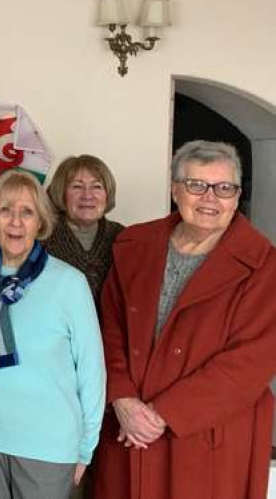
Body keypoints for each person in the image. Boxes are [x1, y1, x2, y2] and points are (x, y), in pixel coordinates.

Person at [93, 140, 276, 499]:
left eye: (224, 188)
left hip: (208, 434)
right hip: (127, 424)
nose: (210, 198)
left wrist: (162, 415)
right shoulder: (135, 245)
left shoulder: (264, 265)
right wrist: (123, 398)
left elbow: (249, 363)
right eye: (196, 185)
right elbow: (109, 328)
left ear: (237, 197)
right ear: (176, 190)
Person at [0, 169, 105, 499]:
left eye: (27, 212)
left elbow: (92, 369)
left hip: (47, 442)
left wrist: (86, 448)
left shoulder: (69, 283)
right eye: (5, 210)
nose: (15, 222)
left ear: (40, 222)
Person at [45, 154, 125, 303]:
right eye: (77, 186)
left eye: (97, 186)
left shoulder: (124, 238)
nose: (87, 195)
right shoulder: (41, 238)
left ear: (107, 195)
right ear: (62, 193)